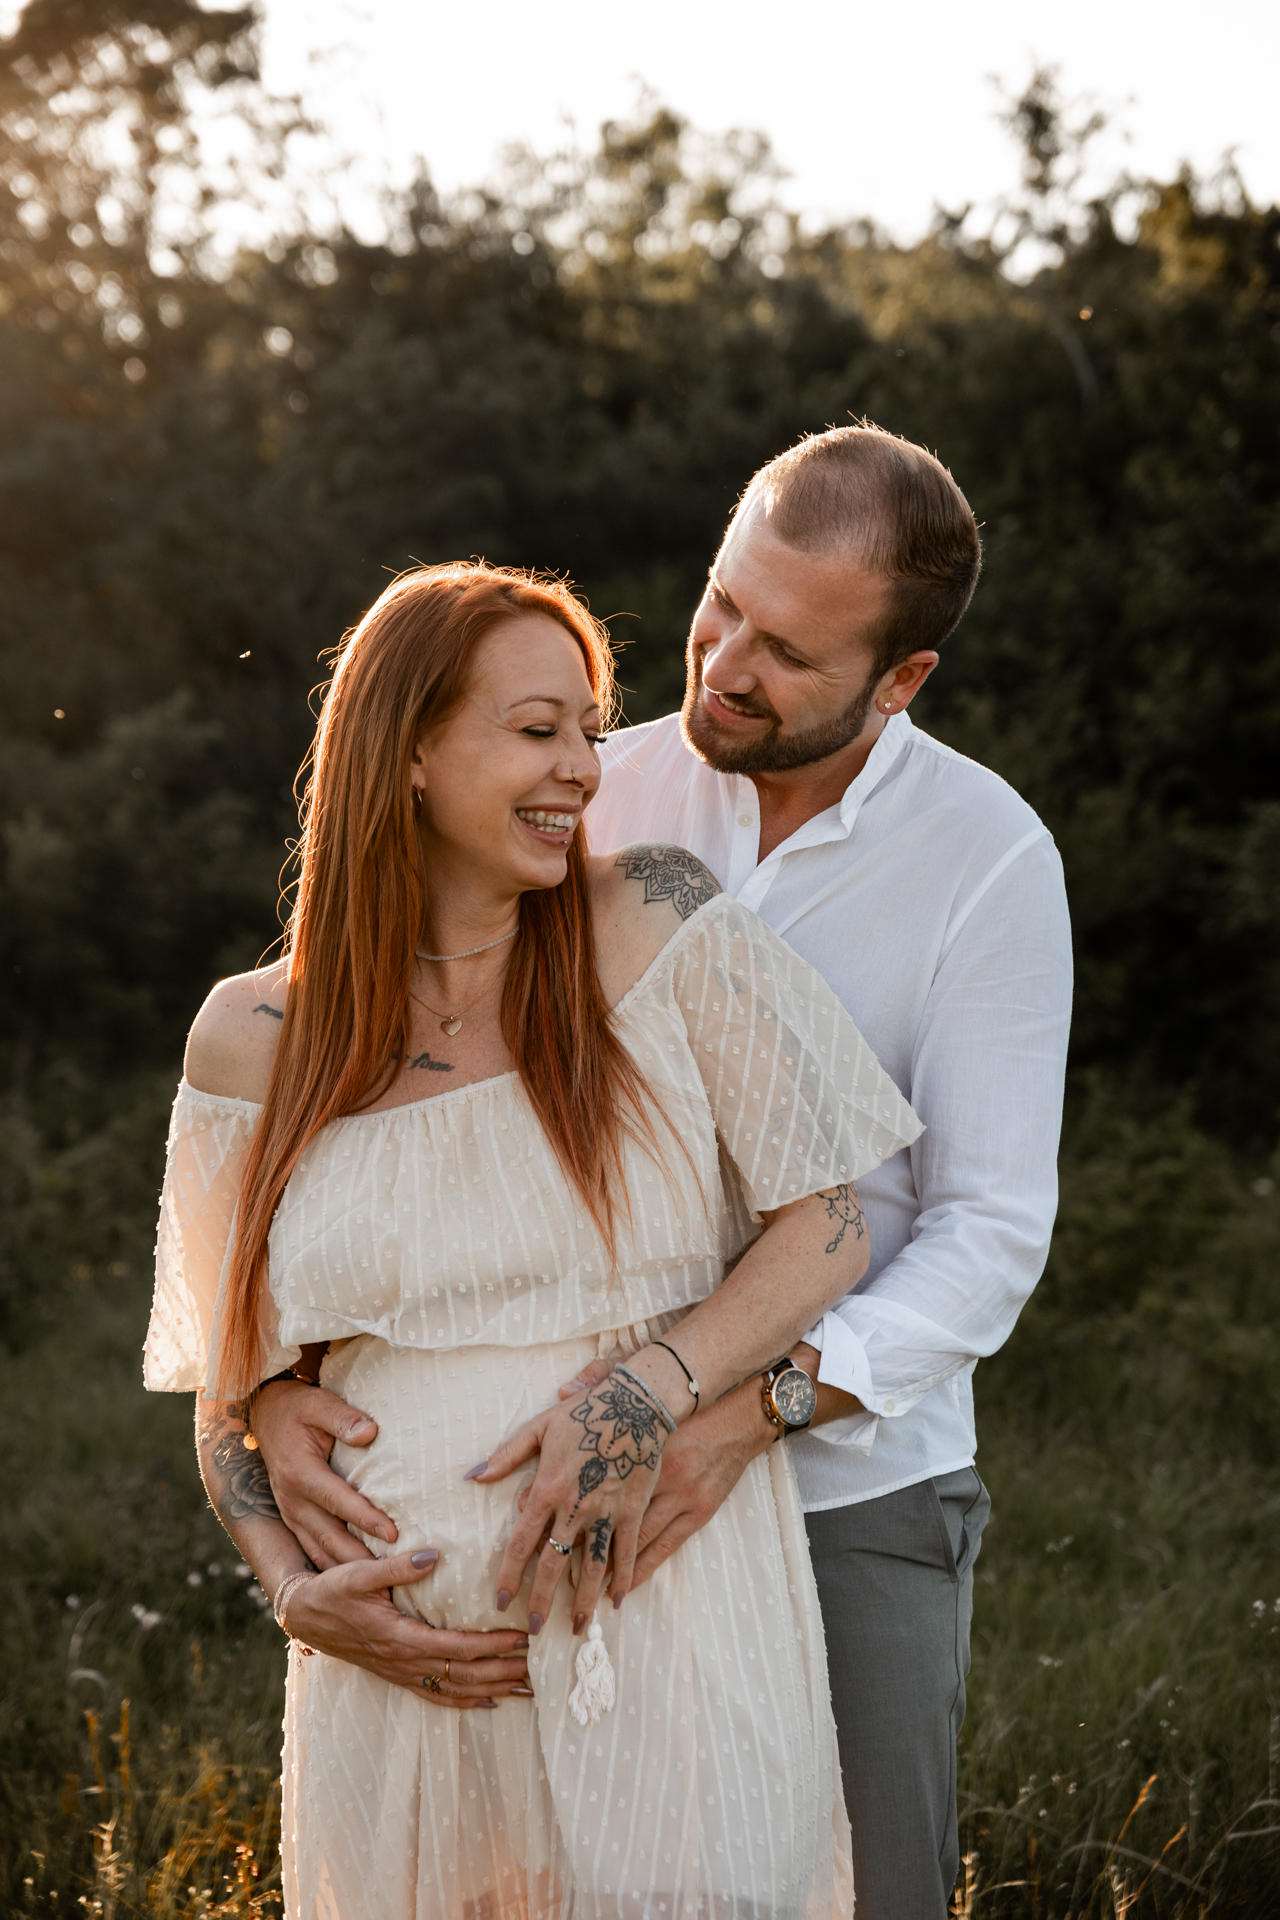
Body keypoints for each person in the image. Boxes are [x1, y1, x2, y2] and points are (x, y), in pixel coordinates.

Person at [251, 426, 1074, 1918]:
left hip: (851, 1482)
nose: (725, 664)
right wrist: (266, 1388)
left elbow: (987, 1233)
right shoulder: (590, 793)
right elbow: (394, 1087)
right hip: (564, 1509)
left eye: (788, 654)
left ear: (899, 682)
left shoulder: (989, 861)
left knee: (867, 1889)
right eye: (723, 607)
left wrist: (738, 1404)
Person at [143, 560, 924, 1919]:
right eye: (535, 729)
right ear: (410, 755)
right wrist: (292, 1590)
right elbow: (229, 1387)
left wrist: (648, 1386)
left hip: (670, 1616)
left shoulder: (655, 919)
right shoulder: (251, 1037)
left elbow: (830, 1223)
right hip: (402, 1678)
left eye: (587, 726)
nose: (582, 767)